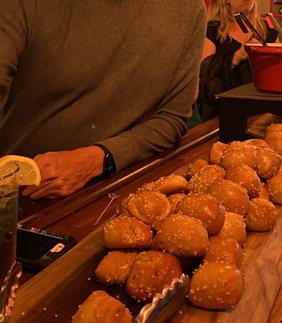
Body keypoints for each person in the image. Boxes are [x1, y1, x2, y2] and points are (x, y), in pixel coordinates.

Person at [0, 0, 206, 200]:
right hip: (19, 196)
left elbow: (171, 119)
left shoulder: (188, 9)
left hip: (119, 194)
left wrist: (97, 159)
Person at [198, 0, 277, 121]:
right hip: (223, 111)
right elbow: (205, 72)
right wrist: (235, 57)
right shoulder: (213, 30)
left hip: (263, 109)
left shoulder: (267, 30)